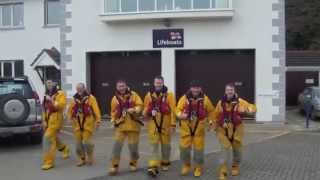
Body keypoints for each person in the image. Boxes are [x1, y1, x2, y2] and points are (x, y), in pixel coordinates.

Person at [211, 83, 256, 180]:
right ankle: (223, 171)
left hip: (237, 131)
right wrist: (214, 126)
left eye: (231, 90)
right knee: (224, 149)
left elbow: (252, 108)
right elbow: (215, 115)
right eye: (228, 90)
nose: (229, 91)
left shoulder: (241, 102)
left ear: (234, 91)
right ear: (225, 91)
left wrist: (248, 110)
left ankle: (235, 166)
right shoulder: (220, 103)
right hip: (223, 130)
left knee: (238, 151)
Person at [176, 80, 215, 177]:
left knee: (198, 151)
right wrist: (181, 115)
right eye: (194, 87)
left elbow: (211, 111)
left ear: (200, 88)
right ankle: (186, 165)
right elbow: (177, 109)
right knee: (184, 150)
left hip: (199, 131)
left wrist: (211, 122)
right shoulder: (184, 98)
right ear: (190, 88)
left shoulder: (205, 99)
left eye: (197, 87)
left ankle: (198, 167)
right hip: (186, 130)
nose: (195, 89)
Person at [108, 79, 144, 175]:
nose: (121, 88)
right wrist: (113, 119)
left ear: (126, 86)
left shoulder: (134, 95)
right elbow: (113, 111)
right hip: (121, 126)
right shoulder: (114, 99)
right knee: (116, 147)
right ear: (117, 87)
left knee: (133, 148)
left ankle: (133, 163)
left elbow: (140, 105)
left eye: (123, 86)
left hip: (133, 126)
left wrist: (135, 109)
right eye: (119, 86)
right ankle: (114, 166)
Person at [143, 76, 176, 177]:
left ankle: (165, 162)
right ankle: (153, 166)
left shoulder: (169, 95)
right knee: (153, 146)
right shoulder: (148, 95)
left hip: (166, 125)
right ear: (154, 83)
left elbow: (173, 110)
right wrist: (148, 112)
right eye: (157, 83)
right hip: (153, 125)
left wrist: (173, 124)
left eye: (160, 83)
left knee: (166, 146)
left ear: (163, 83)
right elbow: (145, 109)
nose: (158, 84)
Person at [67, 83, 101, 166]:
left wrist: (98, 120)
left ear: (84, 88)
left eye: (81, 88)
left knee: (87, 142)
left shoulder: (91, 98)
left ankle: (90, 156)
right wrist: (69, 118)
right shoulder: (74, 99)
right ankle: (82, 159)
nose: (79, 90)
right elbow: (70, 110)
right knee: (78, 144)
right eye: (78, 89)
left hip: (87, 124)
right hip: (77, 124)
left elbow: (96, 110)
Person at [41, 80, 70, 170]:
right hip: (48, 119)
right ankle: (65, 149)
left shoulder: (60, 93)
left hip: (56, 120)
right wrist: (43, 120)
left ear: (55, 84)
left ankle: (48, 162)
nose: (48, 84)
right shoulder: (47, 94)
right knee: (54, 138)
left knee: (48, 138)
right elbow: (44, 108)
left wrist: (52, 100)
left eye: (50, 82)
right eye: (47, 83)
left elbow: (61, 106)